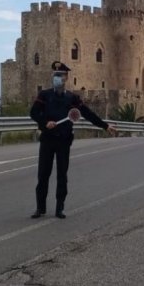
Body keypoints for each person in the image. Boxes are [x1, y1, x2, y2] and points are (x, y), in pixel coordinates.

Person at [29, 61, 116, 219]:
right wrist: (44, 123)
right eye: (55, 75)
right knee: (43, 175)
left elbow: (87, 114)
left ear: (66, 78)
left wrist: (104, 125)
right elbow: (33, 113)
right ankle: (40, 208)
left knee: (62, 175)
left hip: (64, 141)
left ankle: (59, 208)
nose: (57, 77)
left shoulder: (72, 98)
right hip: (47, 140)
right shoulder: (44, 95)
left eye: (60, 75)